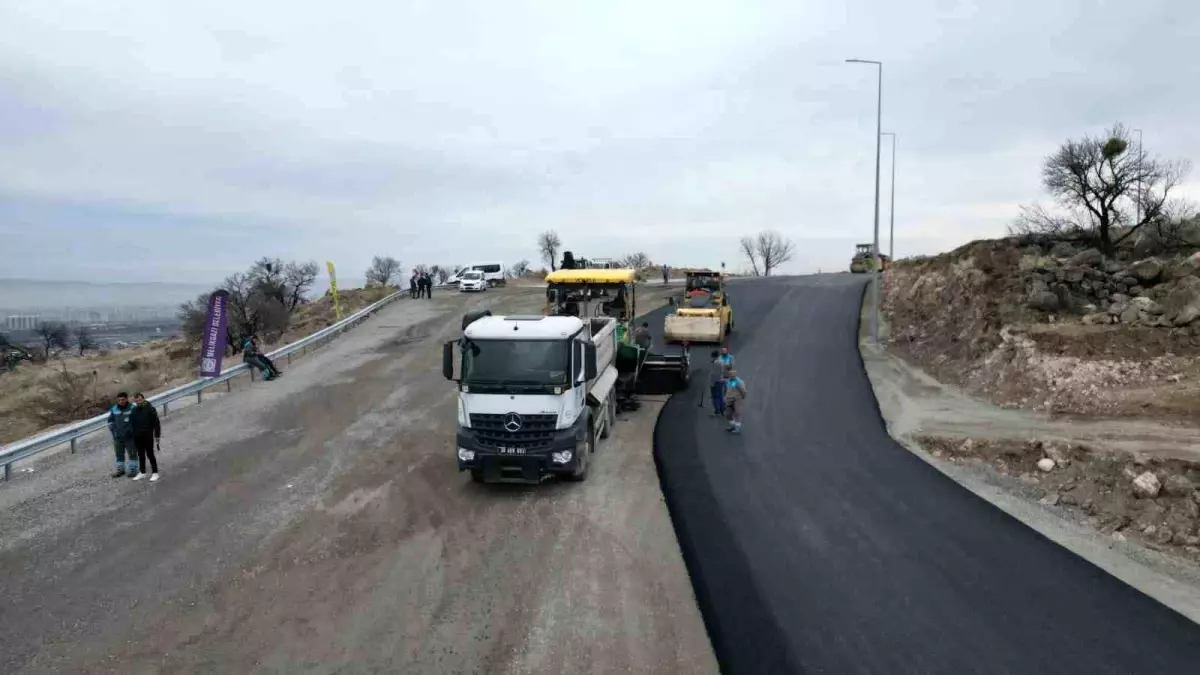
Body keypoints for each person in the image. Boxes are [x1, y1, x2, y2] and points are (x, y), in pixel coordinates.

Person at [130, 393, 162, 482]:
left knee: (150, 454)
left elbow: (156, 424)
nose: (138, 402)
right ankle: (142, 472)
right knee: (140, 455)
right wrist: (133, 435)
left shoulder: (150, 409)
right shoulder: (134, 410)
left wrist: (157, 436)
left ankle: (155, 473)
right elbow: (132, 424)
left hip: (147, 436)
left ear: (143, 399)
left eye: (140, 400)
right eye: (136, 401)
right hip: (137, 436)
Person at [106, 392, 138, 478]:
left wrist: (133, 431)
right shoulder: (114, 409)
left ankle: (133, 470)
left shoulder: (133, 408)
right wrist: (114, 432)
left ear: (127, 399)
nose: (121, 401)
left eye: (123, 399)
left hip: (130, 437)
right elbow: (110, 421)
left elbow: (137, 421)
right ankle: (120, 470)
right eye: (119, 400)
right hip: (118, 437)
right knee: (119, 454)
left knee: (132, 453)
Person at [724, 368, 748, 434]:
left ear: (735, 375)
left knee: (737, 414)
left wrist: (741, 398)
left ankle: (737, 428)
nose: (730, 375)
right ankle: (733, 426)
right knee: (728, 414)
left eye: (732, 374)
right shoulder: (728, 381)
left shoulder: (739, 382)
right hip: (729, 399)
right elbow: (727, 389)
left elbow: (743, 392)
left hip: (737, 400)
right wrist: (725, 396)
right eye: (730, 374)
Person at [708, 350, 727, 417]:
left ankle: (717, 410)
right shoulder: (722, 361)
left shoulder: (716, 363)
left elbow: (714, 374)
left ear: (714, 356)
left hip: (716, 381)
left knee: (715, 396)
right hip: (722, 380)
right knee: (720, 395)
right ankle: (722, 408)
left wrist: (711, 383)